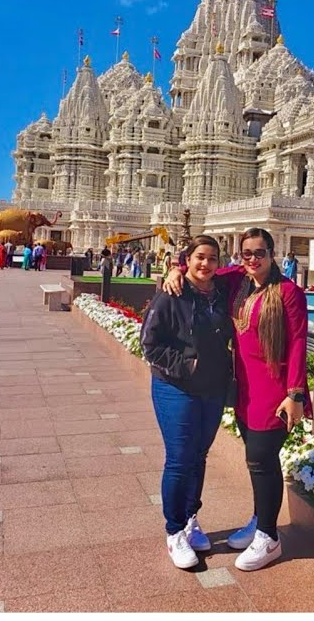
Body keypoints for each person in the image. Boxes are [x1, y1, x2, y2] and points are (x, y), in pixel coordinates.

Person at [164, 228, 312, 571]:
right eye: (247, 253)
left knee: (262, 460)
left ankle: (269, 537)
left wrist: (295, 395)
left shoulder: (289, 293)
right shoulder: (237, 283)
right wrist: (176, 267)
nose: (253, 260)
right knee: (254, 459)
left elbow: (298, 342)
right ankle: (261, 520)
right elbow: (204, 268)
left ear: (273, 253)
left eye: (260, 253)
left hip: (274, 390)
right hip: (244, 388)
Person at [141, 235, 235, 569]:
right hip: (175, 388)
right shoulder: (171, 294)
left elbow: (254, 267)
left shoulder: (221, 293)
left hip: (211, 389)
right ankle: (174, 530)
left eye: (212, 258)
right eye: (199, 258)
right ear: (187, 260)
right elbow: (149, 345)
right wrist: (188, 365)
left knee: (198, 456)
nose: (205, 264)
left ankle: (191, 518)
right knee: (180, 459)